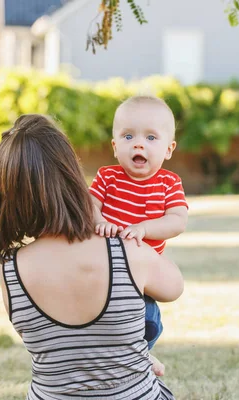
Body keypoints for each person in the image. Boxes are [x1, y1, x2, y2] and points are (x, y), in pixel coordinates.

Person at [0, 114, 183, 399]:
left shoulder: (11, 272)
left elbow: (65, 352)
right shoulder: (126, 251)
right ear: (72, 176)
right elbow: (174, 287)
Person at [89, 96, 188, 375]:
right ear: (114, 146)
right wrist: (101, 221)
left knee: (148, 319)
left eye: (151, 137)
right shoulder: (107, 177)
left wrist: (145, 228)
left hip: (141, 277)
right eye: (128, 136)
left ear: (169, 149)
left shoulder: (169, 183)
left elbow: (177, 221)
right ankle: (126, 356)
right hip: (104, 268)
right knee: (100, 318)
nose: (139, 143)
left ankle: (142, 353)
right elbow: (87, 206)